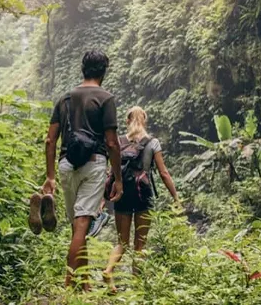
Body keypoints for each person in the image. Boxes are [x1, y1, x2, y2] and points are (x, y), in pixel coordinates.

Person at [40, 50, 123, 291]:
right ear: (103, 72)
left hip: (66, 165)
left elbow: (50, 140)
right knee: (83, 222)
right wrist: (117, 178)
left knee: (78, 225)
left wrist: (50, 176)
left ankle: (84, 283)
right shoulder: (105, 98)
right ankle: (69, 283)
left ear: (82, 69)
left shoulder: (65, 98)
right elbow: (111, 142)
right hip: (94, 163)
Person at [103, 106, 179, 292]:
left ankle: (108, 271)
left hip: (122, 192)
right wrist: (175, 196)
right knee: (140, 243)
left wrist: (103, 199)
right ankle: (136, 286)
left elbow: (110, 173)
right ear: (144, 120)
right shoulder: (152, 143)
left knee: (122, 242)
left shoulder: (118, 142)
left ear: (127, 121)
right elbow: (163, 173)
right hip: (143, 193)